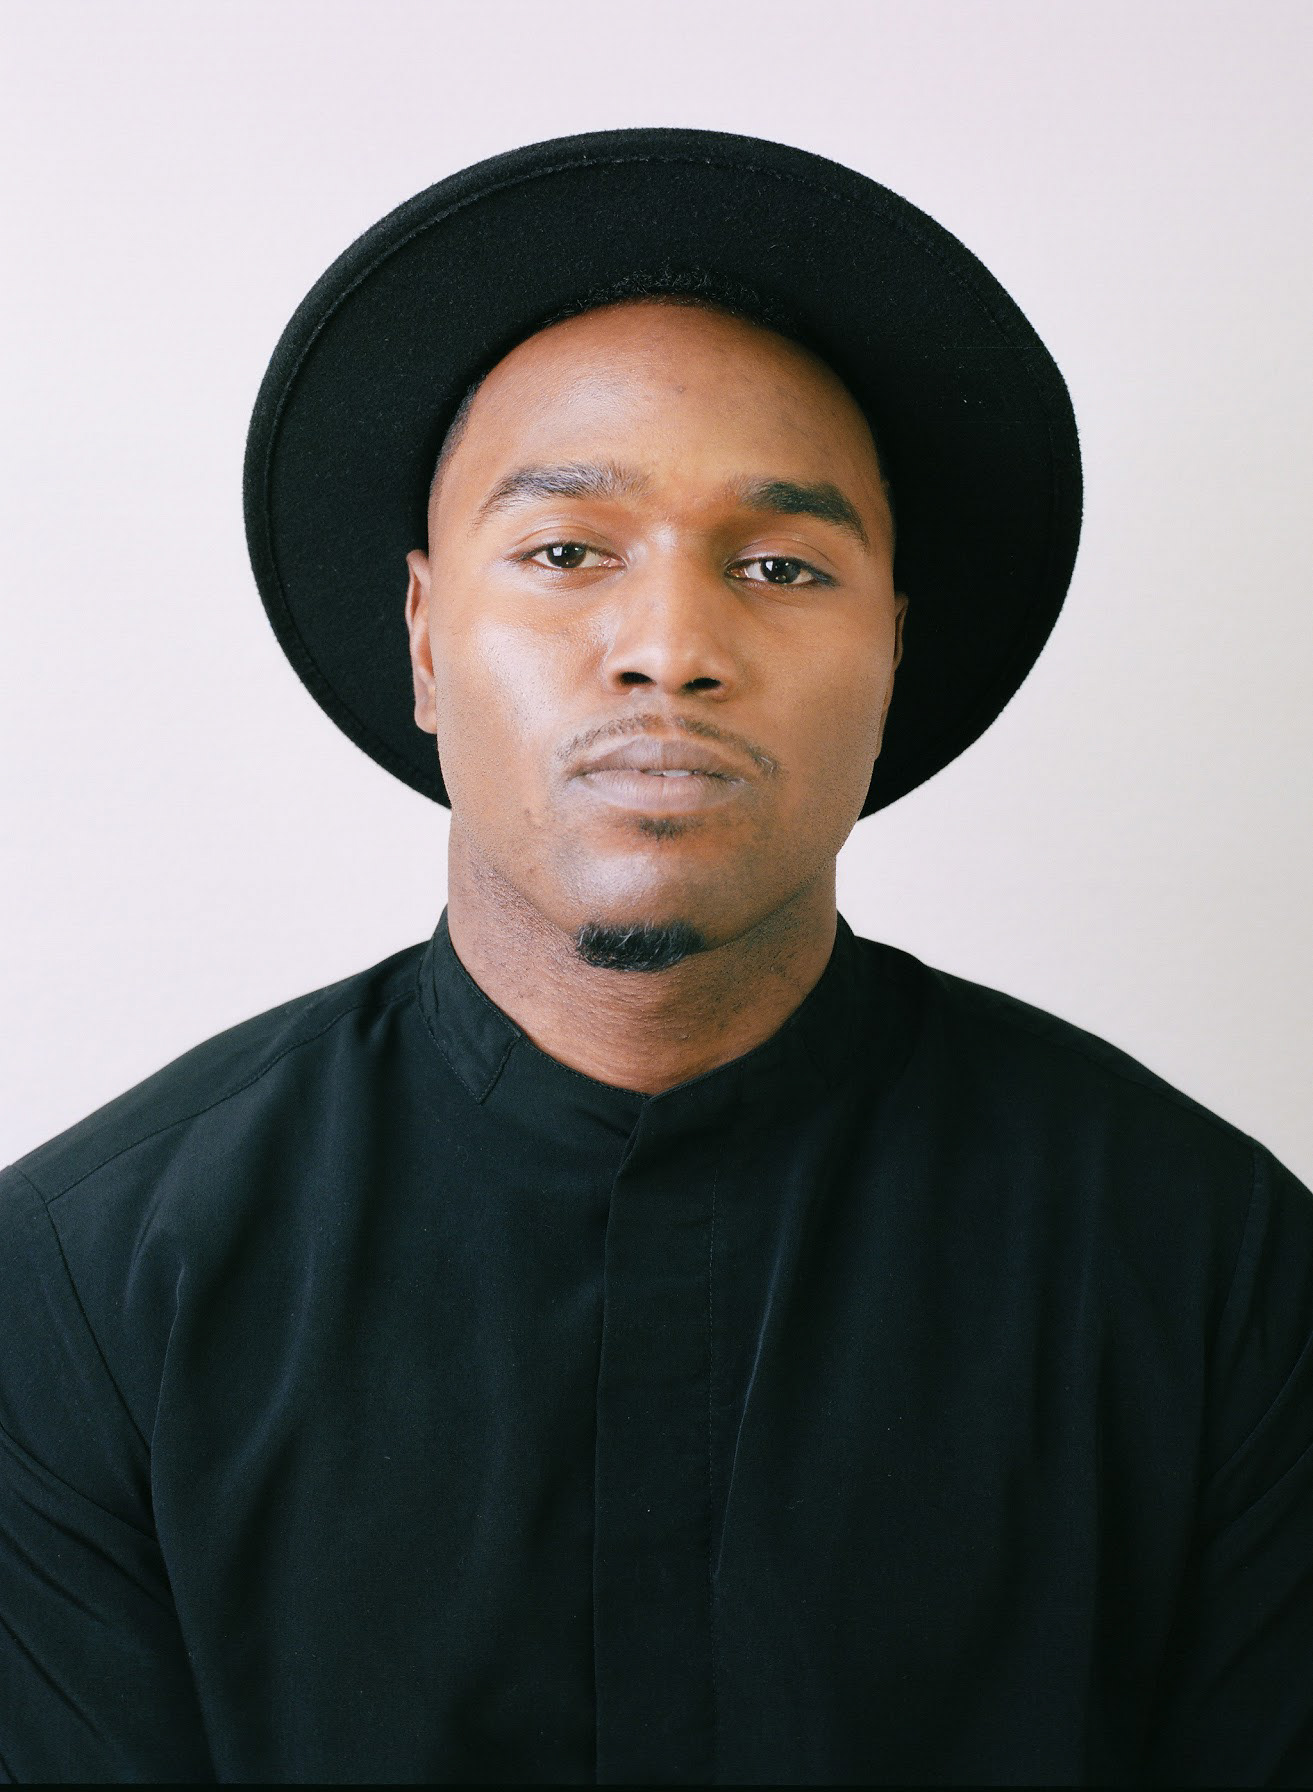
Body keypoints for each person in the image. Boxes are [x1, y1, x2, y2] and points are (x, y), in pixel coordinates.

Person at [2, 127, 1309, 1788]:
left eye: (778, 565)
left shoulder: (1210, 1269)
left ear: (889, 654)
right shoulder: (87, 1286)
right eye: (566, 553)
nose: (672, 648)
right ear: (423, 637)